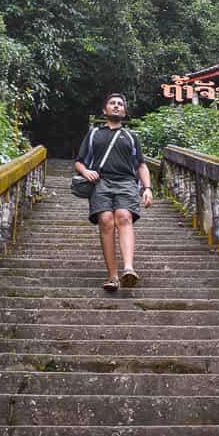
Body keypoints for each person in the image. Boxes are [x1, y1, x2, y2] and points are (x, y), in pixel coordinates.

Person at [74, 93, 153, 291]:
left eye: (120, 104)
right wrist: (86, 171)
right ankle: (112, 276)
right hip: (101, 183)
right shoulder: (94, 134)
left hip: (126, 182)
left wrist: (147, 188)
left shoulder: (131, 136)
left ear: (124, 112)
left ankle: (128, 269)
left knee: (124, 216)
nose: (116, 106)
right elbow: (79, 161)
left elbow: (141, 165)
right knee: (106, 221)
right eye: (112, 103)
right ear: (105, 110)